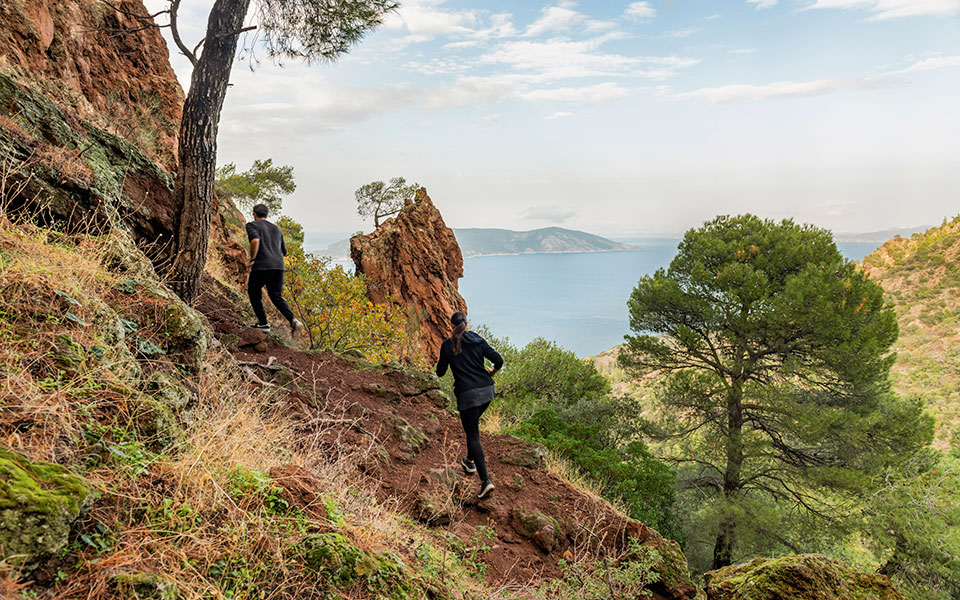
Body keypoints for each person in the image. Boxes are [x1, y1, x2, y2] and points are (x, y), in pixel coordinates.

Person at [435, 311, 503, 499]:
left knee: (473, 434)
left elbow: (440, 373)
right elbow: (499, 360)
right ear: (466, 322)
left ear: (451, 326)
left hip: (467, 396)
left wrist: (443, 361)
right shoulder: (476, 339)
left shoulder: (447, 346)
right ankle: (470, 460)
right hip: (487, 391)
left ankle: (485, 482)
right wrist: (492, 372)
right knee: (472, 427)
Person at [245, 203, 303, 336]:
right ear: (266, 214)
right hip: (278, 266)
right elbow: (284, 251)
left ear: (254, 214)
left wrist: (252, 259)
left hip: (261, 265)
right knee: (276, 296)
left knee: (254, 293)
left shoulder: (252, 225)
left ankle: (263, 324)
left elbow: (255, 240)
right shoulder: (277, 229)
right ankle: (293, 320)